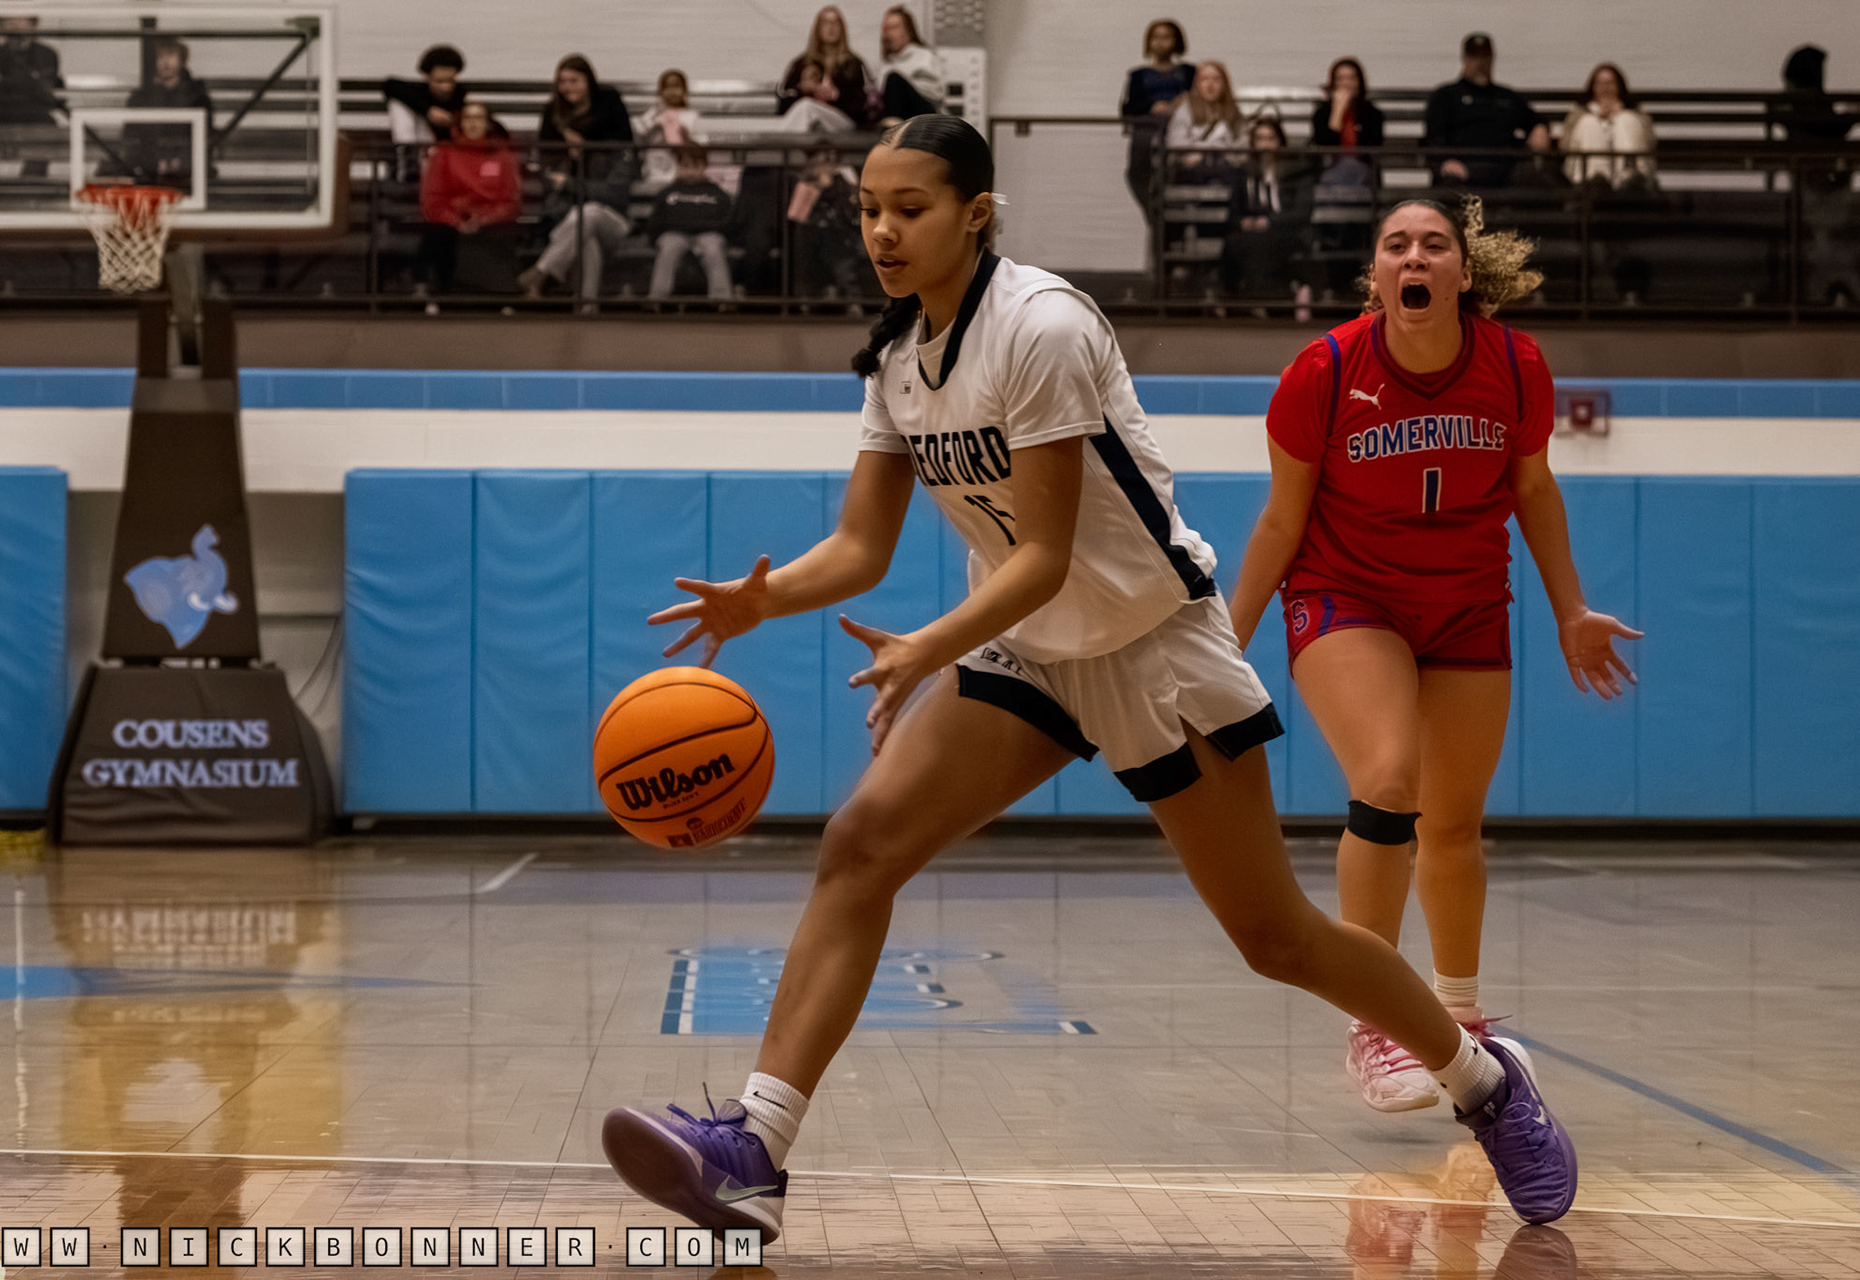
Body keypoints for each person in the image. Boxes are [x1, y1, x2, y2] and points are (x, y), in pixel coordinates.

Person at [597, 114, 1578, 1246]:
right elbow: (861, 546)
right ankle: (753, 1152)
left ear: (975, 213)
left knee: (1277, 937)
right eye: (869, 207)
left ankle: (1481, 1078)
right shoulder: (899, 358)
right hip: (1030, 644)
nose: (881, 229)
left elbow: (1047, 555)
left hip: (1151, 639)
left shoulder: (1044, 326)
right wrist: (757, 599)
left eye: (908, 208)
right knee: (860, 844)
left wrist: (925, 643)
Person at [1228, 194, 1641, 1115]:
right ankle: (1374, 1021)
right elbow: (1281, 519)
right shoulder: (1322, 371)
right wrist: (1225, 637)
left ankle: (1459, 1019)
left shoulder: (1515, 363)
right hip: (1347, 593)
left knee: (1453, 824)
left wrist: (1570, 607)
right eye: (1395, 246)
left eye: (1433, 244)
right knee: (1387, 776)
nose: (1414, 257)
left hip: (1464, 604)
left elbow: (1533, 487)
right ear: (1375, 277)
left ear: (1463, 271)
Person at [520, 55, 636, 305]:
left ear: (588, 80)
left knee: (590, 213)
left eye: (574, 80)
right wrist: (566, 162)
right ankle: (586, 306)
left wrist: (573, 178)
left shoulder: (616, 153)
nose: (567, 87)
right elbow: (547, 170)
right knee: (586, 237)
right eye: (562, 81)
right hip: (566, 218)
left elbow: (613, 193)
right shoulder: (553, 119)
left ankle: (541, 271)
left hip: (611, 219)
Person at [1774, 45, 1857, 305]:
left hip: (1808, 187)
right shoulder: (1812, 106)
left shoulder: (1788, 106)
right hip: (1825, 190)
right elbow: (1830, 127)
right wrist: (1852, 116)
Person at [418, 101, 523, 296]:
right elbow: (433, 199)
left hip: (492, 220)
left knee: (503, 233)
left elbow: (510, 202)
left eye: (478, 118)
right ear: (460, 123)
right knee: (437, 233)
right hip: (452, 219)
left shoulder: (504, 156)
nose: (473, 124)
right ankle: (438, 295)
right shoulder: (443, 153)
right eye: (468, 118)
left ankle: (501, 295)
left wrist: (483, 219)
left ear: (488, 124)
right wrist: (456, 221)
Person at [1423, 33, 1549, 189]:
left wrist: (1540, 127)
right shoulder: (1446, 96)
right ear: (1465, 59)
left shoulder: (1506, 97)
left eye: (1486, 58)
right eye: (1476, 58)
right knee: (1450, 183)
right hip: (1462, 165)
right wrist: (1445, 161)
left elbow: (1533, 119)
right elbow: (1434, 137)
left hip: (1503, 168)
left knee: (1536, 178)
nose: (1481, 64)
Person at [1224, 116, 1313, 306]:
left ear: (1280, 142)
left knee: (1263, 242)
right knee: (1235, 242)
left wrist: (1270, 221)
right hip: (1250, 232)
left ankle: (1261, 297)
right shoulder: (1244, 173)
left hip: (1286, 230)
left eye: (1270, 138)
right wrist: (1243, 222)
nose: (1265, 144)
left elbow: (1302, 213)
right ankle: (1261, 296)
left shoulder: (1297, 170)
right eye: (1260, 139)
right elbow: (1233, 213)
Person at [1119, 19, 1195, 216]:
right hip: (1147, 130)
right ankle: (1153, 213)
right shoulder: (1138, 75)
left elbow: (1200, 98)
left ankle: (1170, 214)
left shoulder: (1188, 71)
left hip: (1181, 129)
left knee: (1171, 175)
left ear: (1176, 41)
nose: (1161, 42)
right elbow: (1129, 107)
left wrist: (1178, 104)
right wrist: (1152, 106)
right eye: (1156, 37)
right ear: (1149, 42)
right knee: (1137, 174)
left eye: (1167, 37)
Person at [647, 144, 734, 302]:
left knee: (713, 248)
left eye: (696, 166)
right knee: (668, 247)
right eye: (685, 166)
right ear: (678, 166)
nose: (690, 171)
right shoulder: (667, 193)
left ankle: (722, 300)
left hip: (709, 234)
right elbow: (656, 222)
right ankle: (657, 299)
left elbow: (726, 223)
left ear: (704, 167)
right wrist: (656, 238)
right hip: (674, 235)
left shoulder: (718, 195)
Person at [124, 37, 213, 188]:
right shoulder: (139, 98)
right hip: (149, 172)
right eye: (160, 56)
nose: (165, 62)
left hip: (188, 171)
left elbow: (205, 134)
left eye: (171, 55)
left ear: (182, 59)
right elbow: (132, 137)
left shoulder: (197, 95)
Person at [777, 6, 878, 131]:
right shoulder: (802, 63)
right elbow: (782, 106)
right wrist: (802, 89)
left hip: (842, 123)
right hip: (810, 123)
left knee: (807, 108)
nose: (831, 27)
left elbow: (862, 107)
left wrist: (836, 95)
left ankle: (778, 148)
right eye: (826, 23)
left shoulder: (853, 64)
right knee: (806, 111)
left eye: (835, 23)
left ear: (842, 28)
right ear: (817, 28)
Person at [788, 145, 864, 305]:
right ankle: (808, 301)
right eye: (824, 158)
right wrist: (816, 185)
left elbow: (852, 204)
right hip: (812, 232)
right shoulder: (808, 179)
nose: (829, 162)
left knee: (843, 266)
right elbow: (798, 213)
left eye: (832, 157)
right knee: (809, 263)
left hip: (839, 231)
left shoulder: (844, 176)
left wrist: (836, 180)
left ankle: (853, 302)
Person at [1561, 64, 1655, 189]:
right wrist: (1599, 117)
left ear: (1619, 87)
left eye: (1610, 83)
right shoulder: (1579, 111)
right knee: (1589, 122)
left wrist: (1620, 113)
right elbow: (1565, 145)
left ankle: (1628, 179)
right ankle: (1595, 179)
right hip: (1586, 175)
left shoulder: (1635, 111)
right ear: (1592, 87)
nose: (1605, 88)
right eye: (1600, 83)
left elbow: (1650, 142)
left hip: (1632, 180)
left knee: (1626, 120)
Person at [1164, 59, 1246, 184]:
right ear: (1197, 84)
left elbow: (1242, 144)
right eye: (1204, 79)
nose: (1210, 85)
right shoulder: (1186, 110)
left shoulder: (1234, 112)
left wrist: (1225, 152)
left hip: (1226, 167)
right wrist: (1202, 149)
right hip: (1192, 168)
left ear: (1224, 84)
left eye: (1216, 80)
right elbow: (1175, 141)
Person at [0, 15, 63, 125]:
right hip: (0, 117)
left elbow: (43, 90)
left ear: (32, 25)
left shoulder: (46, 54)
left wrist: (7, 83)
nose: (15, 24)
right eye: (10, 19)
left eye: (22, 18)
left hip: (37, 115)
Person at [1311, 56, 1384, 188]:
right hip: (1330, 169)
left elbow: (1371, 147)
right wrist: (1337, 112)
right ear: (1333, 83)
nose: (1346, 83)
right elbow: (1325, 147)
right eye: (1340, 79)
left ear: (1359, 82)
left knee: (1350, 165)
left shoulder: (1373, 114)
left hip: (1362, 170)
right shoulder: (1322, 114)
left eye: (1351, 78)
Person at [632, 69, 705, 188]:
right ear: (661, 91)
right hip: (654, 169)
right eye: (667, 87)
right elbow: (639, 134)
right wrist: (656, 120)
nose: (672, 92)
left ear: (684, 91)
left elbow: (700, 145)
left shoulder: (691, 116)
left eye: (677, 87)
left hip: (682, 169)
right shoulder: (654, 114)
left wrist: (686, 138)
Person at [383, 44, 466, 145]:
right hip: (420, 139)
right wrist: (428, 110)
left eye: (450, 81)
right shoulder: (420, 91)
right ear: (426, 78)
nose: (446, 87)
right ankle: (408, 152)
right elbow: (390, 84)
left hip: (448, 146)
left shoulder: (460, 93)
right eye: (439, 81)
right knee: (398, 105)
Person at [875, 6, 945, 120]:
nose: (888, 34)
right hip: (900, 119)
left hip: (926, 118)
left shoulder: (924, 56)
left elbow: (937, 94)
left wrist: (906, 86)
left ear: (908, 30)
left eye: (894, 27)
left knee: (894, 79)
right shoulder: (886, 64)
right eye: (886, 29)